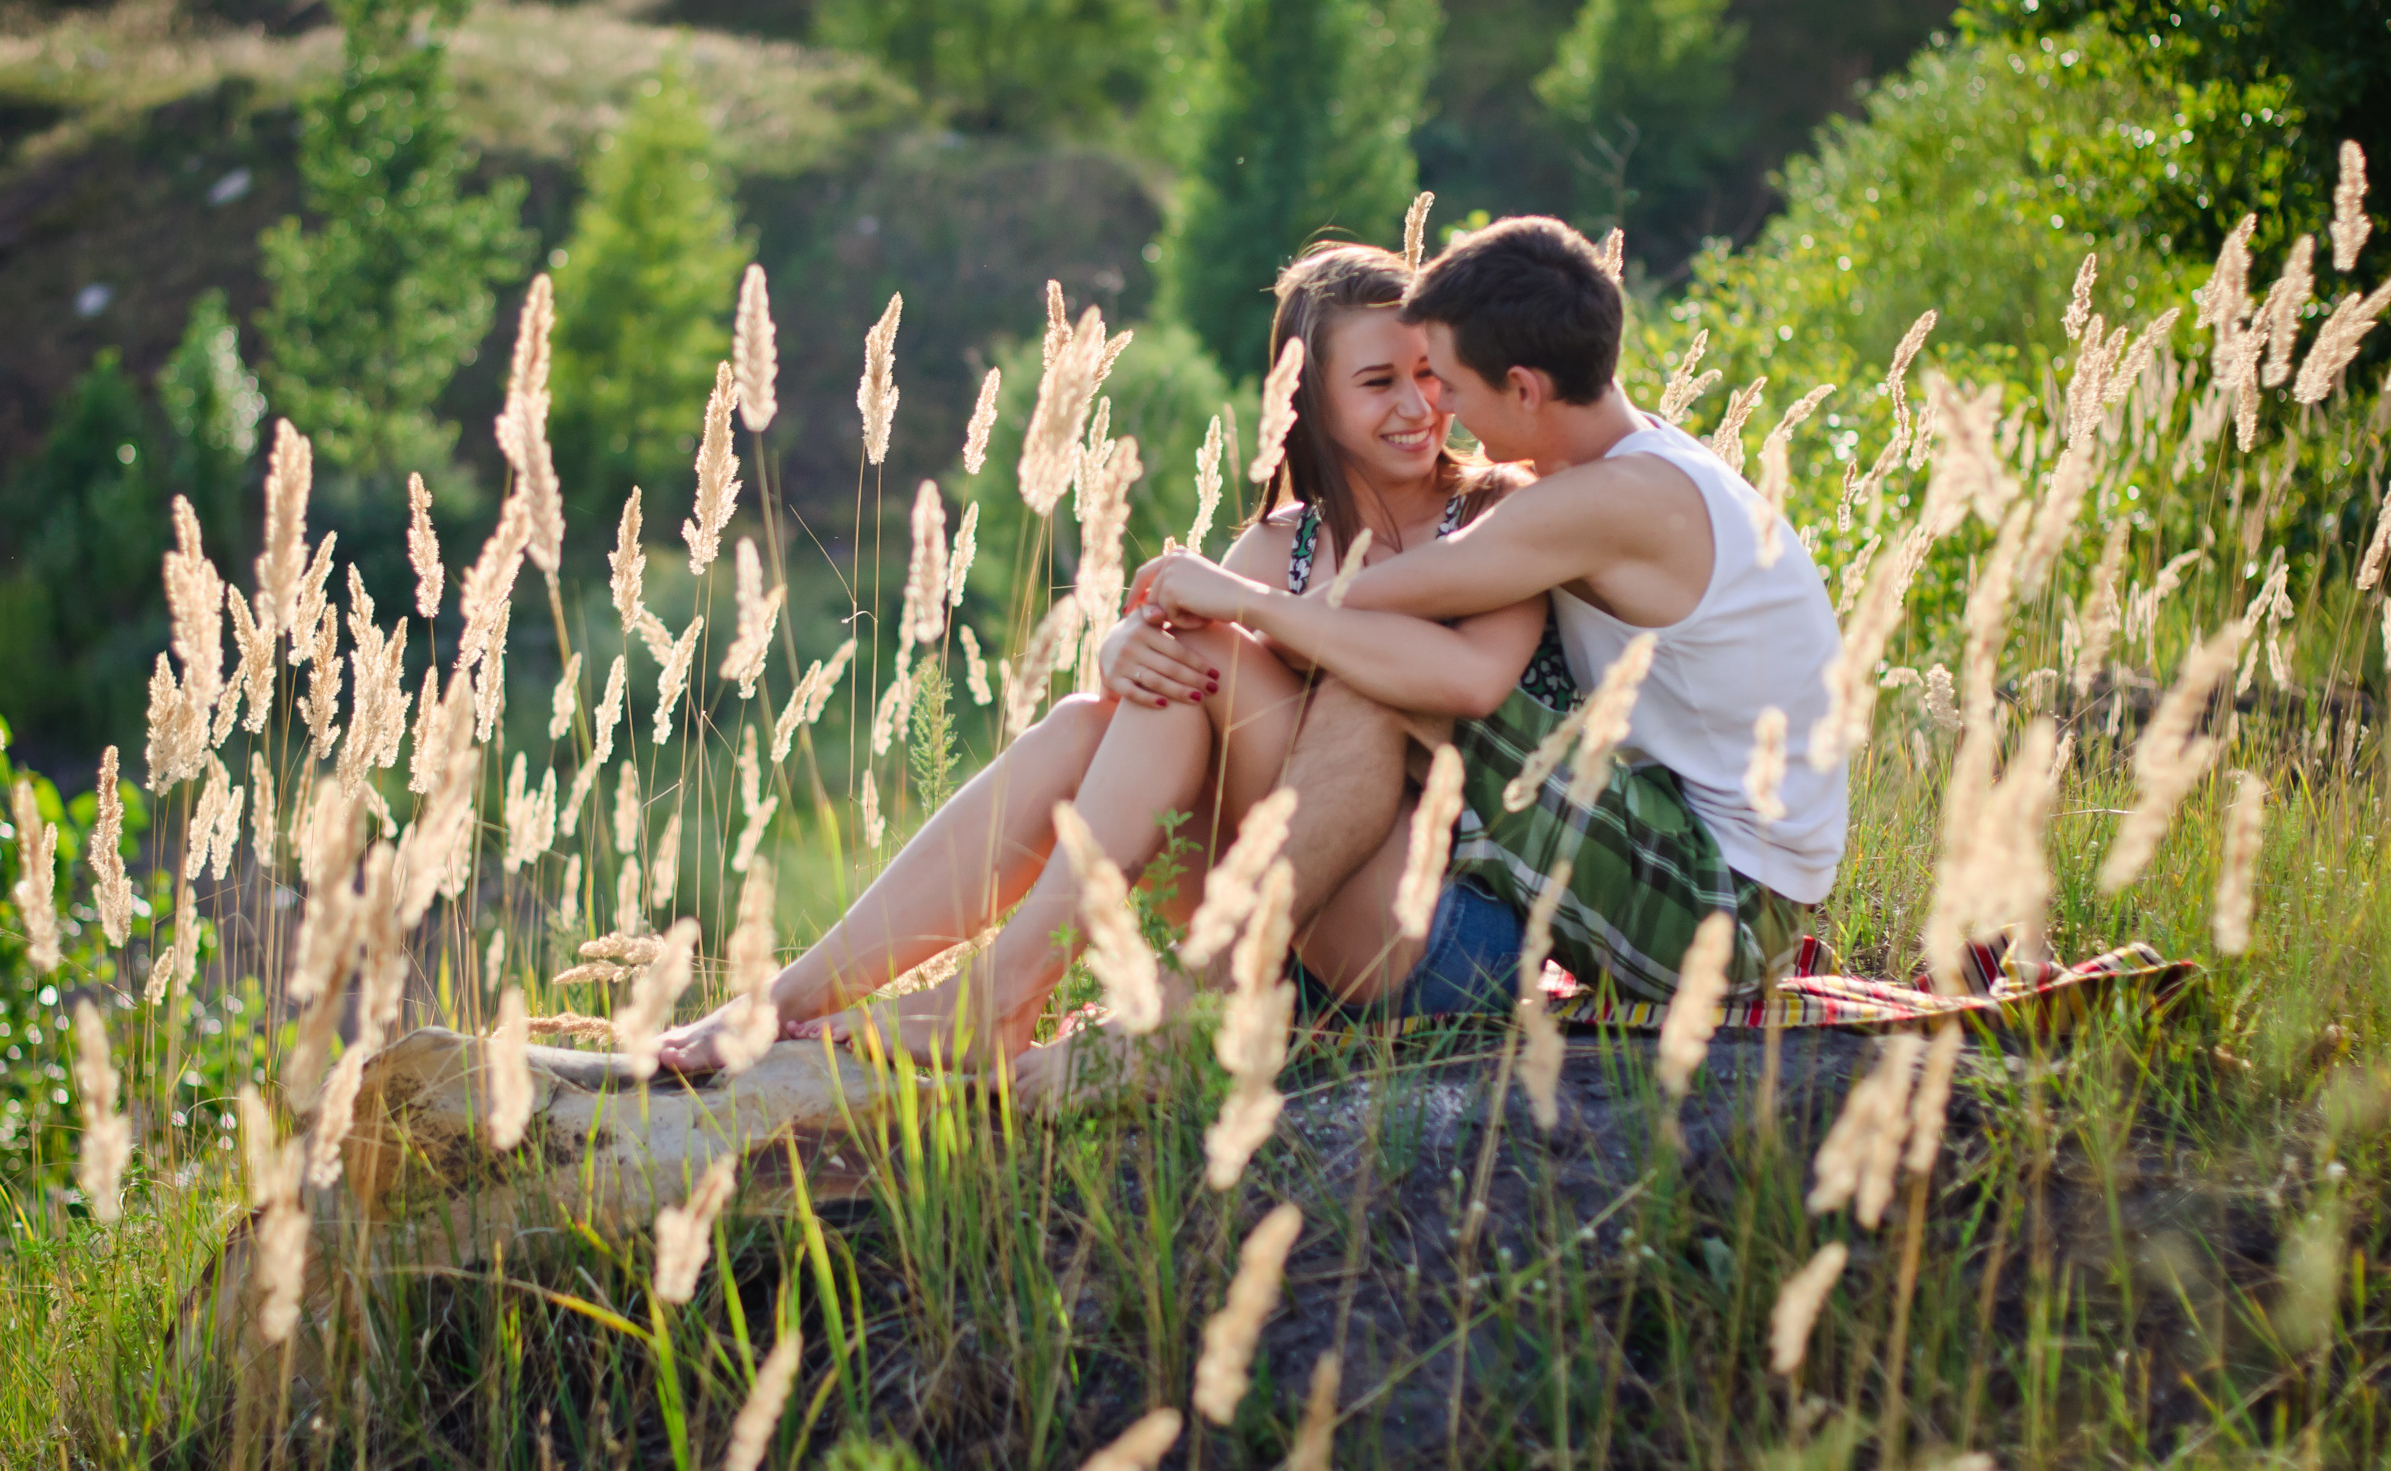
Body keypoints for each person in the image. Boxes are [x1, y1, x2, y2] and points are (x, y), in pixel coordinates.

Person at [658, 243, 1549, 1074]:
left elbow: (1470, 683)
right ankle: (799, 995)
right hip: (1283, 947)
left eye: (1431, 374)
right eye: (1380, 381)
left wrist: (1223, 617)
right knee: (1096, 713)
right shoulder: (1283, 548)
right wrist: (1125, 647)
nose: (1416, 405)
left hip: (1435, 937)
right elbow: (1141, 733)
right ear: (1309, 401)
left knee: (1192, 656)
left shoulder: (1496, 512)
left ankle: (1000, 991)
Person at [1136, 215, 1846, 1015]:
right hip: (1693, 861)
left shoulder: (1610, 499)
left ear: (1524, 389)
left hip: (1727, 911)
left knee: (1395, 675)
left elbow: (1373, 598)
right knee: (1386, 659)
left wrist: (1232, 601)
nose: (1442, 411)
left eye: (1453, 386)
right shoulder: (1639, 460)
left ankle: (1199, 995)